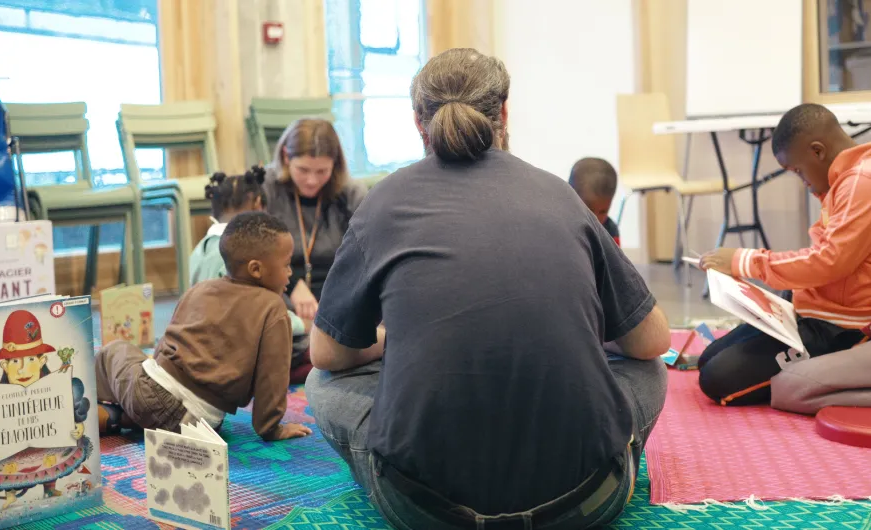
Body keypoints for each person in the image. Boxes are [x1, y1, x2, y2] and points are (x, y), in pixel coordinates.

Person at [305, 48, 671, 529]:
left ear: (419, 122)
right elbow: (653, 341)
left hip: (426, 510)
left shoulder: (384, 201)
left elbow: (326, 353)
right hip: (583, 503)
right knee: (649, 369)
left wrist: (399, 342)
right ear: (504, 113)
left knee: (321, 383)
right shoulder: (559, 195)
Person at [697, 103, 871, 406]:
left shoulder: (861, 183)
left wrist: (743, 261)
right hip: (817, 314)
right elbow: (822, 254)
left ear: (817, 151)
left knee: (715, 379)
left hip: (844, 329)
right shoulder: (848, 179)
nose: (802, 180)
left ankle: (837, 371)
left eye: (799, 170)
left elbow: (829, 261)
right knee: (707, 359)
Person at [95, 212, 313, 441]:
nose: (290, 273)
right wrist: (271, 427)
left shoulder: (201, 289)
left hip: (155, 399)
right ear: (256, 269)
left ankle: (99, 408)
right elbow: (273, 376)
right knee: (143, 383)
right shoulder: (274, 309)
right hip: (205, 424)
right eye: (287, 265)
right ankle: (120, 417)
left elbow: (167, 343)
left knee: (115, 350)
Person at [191, 166, 312, 382]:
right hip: (235, 350)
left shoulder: (199, 250)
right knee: (316, 349)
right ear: (258, 205)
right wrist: (303, 325)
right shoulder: (239, 256)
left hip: (205, 346)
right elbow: (258, 314)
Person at [263, 119, 368, 322]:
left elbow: (363, 256)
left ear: (335, 164)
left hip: (337, 289)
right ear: (286, 157)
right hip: (279, 286)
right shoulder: (266, 188)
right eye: (303, 170)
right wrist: (292, 284)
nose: (312, 180)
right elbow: (257, 251)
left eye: (322, 171)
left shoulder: (352, 194)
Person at [570, 157, 621, 246]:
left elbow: (615, 259)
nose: (596, 219)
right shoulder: (563, 226)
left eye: (603, 211)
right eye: (590, 210)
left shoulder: (610, 230)